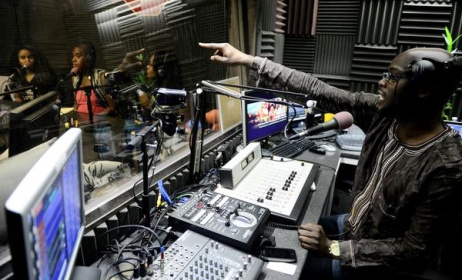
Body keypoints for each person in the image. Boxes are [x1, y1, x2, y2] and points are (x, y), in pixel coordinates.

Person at [199, 42, 462, 279]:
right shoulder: (386, 116)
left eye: (392, 77)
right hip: (354, 225)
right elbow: (320, 91)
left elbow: (414, 250)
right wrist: (249, 60)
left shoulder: (446, 166)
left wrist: (333, 248)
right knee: (279, 230)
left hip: (377, 265)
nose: (381, 82)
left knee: (283, 271)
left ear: (424, 89)